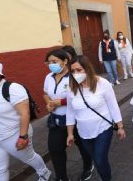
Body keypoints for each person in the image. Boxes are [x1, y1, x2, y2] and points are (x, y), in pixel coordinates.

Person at [0, 60, 51, 181]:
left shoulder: (12, 89)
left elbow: (24, 113)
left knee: (30, 158)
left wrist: (23, 137)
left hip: (13, 134)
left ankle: (44, 172)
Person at [66, 55, 126, 181]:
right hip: (83, 132)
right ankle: (103, 175)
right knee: (98, 160)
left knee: (99, 159)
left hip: (103, 128)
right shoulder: (71, 87)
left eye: (79, 70)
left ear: (87, 69)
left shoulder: (102, 83)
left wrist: (120, 127)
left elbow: (113, 106)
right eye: (72, 71)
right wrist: (70, 133)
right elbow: (70, 111)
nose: (75, 73)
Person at [43, 49, 93, 181]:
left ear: (65, 61)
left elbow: (83, 95)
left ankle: (88, 166)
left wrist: (62, 102)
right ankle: (62, 177)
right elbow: (45, 93)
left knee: (83, 146)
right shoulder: (49, 77)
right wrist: (49, 103)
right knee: (55, 149)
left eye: (54, 61)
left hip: (76, 119)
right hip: (56, 120)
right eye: (48, 62)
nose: (51, 65)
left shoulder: (75, 76)